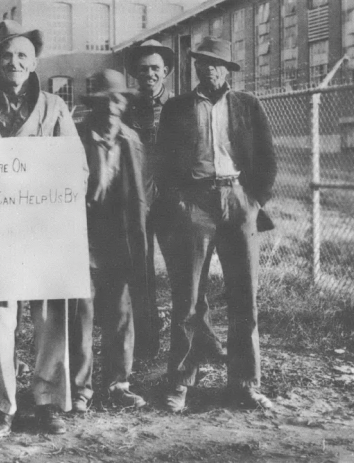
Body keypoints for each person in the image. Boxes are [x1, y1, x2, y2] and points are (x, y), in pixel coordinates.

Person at [0, 20, 85, 437]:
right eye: (7, 55)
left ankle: (47, 403)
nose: (15, 62)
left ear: (33, 62)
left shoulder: (54, 108)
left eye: (23, 55)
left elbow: (77, 169)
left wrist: (53, 197)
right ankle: (1, 406)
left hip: (45, 228)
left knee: (51, 316)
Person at [156, 37, 277, 412]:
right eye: (202, 62)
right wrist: (178, 199)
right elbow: (163, 161)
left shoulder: (247, 105)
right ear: (194, 67)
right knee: (188, 297)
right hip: (195, 202)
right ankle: (180, 383)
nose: (209, 68)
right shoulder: (177, 108)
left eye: (216, 63)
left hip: (238, 200)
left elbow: (267, 159)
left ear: (228, 69)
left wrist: (253, 201)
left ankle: (244, 383)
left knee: (245, 296)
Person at [125, 39, 226, 362]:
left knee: (185, 274)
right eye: (143, 69)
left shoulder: (181, 105)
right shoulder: (125, 107)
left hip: (172, 199)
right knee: (140, 274)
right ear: (135, 74)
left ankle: (203, 337)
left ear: (166, 71)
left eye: (155, 68)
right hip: (136, 200)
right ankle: (146, 342)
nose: (149, 74)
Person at [69, 70, 148, 413]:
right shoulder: (74, 138)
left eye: (118, 100)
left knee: (119, 311)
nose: (113, 108)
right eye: (105, 101)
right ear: (94, 106)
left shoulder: (132, 142)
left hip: (118, 237)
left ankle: (118, 383)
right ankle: (79, 388)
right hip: (82, 234)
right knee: (81, 310)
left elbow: (143, 194)